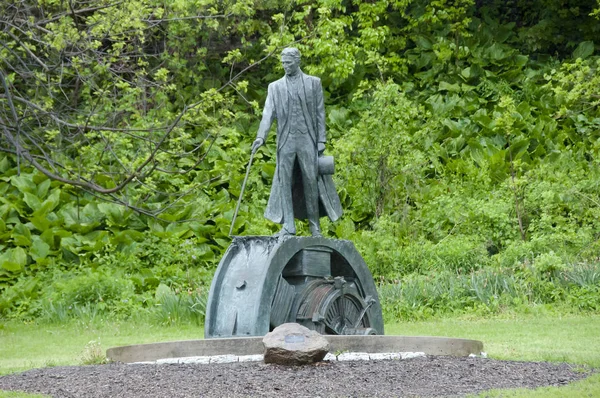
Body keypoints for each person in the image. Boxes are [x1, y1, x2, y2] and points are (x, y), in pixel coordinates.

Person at [252, 47, 342, 237]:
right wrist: (261, 137)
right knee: (284, 181)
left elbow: (320, 114)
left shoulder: (313, 83)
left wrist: (321, 141)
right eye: (283, 63)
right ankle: (288, 226)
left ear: (297, 61)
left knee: (311, 181)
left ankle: (314, 227)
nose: (285, 66)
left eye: (288, 62)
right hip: (285, 141)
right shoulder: (274, 87)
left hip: (307, 139)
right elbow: (267, 115)